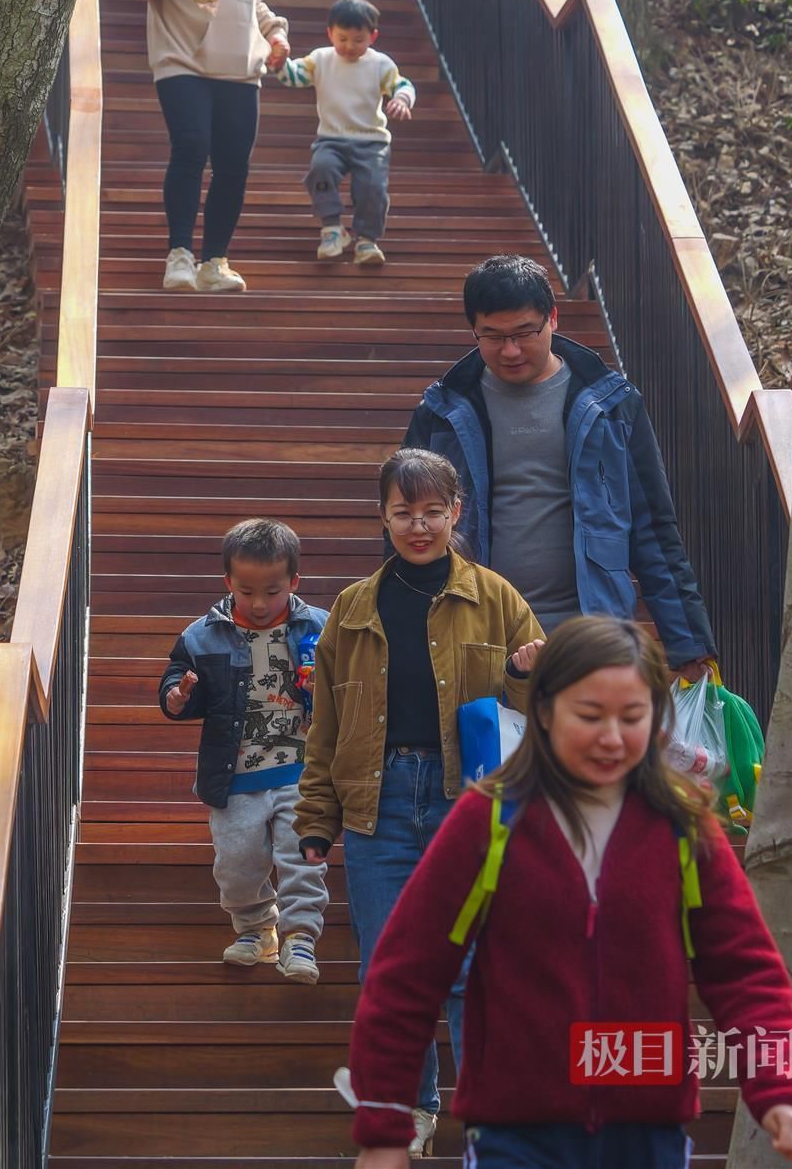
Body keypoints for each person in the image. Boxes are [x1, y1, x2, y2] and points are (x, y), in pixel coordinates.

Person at [340, 616, 792, 1168]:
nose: (611, 738)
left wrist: (780, 1088)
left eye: (632, 717)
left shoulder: (683, 828)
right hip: (515, 1135)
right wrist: (383, 1127)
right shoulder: (489, 820)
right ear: (544, 712)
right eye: (589, 716)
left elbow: (745, 970)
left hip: (648, 1135)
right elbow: (407, 972)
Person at [295, 449, 545, 1156]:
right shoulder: (350, 608)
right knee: (388, 969)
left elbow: (541, 712)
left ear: (456, 512)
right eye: (403, 512)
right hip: (376, 809)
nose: (419, 525)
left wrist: (528, 674)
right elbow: (327, 727)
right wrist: (316, 820)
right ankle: (411, 1111)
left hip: (465, 801)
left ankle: (490, 1116)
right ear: (382, 516)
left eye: (432, 511)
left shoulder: (497, 598)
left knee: (471, 968)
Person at [404, 254, 716, 679]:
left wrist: (688, 644)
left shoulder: (611, 405)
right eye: (491, 336)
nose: (509, 350)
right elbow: (408, 527)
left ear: (553, 317)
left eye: (524, 333)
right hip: (475, 637)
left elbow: (653, 528)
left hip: (590, 636)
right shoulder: (442, 411)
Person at [116, 0, 289, 294]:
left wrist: (276, 34)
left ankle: (214, 261)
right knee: (191, 147)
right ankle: (179, 256)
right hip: (184, 60)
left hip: (240, 69)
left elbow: (256, 4)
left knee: (233, 167)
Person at [159, 518, 328, 982]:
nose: (257, 602)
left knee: (302, 859)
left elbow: (351, 684)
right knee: (236, 864)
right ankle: (256, 930)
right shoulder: (202, 636)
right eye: (246, 590)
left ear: (293, 582)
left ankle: (300, 938)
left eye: (271, 591)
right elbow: (178, 682)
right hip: (233, 777)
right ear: (227, 581)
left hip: (300, 771)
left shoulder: (320, 627)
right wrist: (178, 696)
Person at [278, 0, 415, 267]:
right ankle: (332, 229)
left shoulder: (381, 64)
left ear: (372, 37)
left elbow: (403, 85)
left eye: (358, 40)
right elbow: (293, 76)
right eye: (342, 39)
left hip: (371, 141)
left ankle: (366, 240)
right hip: (331, 138)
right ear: (330, 33)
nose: (349, 46)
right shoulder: (320, 60)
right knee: (321, 168)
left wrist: (401, 99)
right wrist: (280, 61)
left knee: (373, 187)